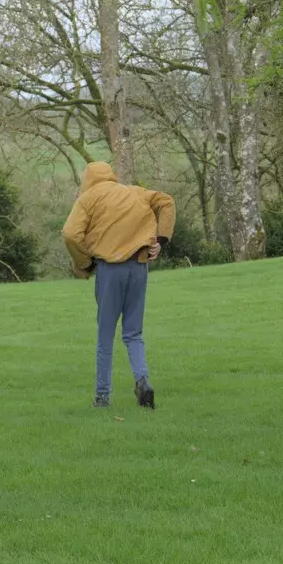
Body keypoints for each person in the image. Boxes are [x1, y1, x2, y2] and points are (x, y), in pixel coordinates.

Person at [61, 161, 175, 409]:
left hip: (110, 270)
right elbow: (166, 201)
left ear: (87, 180)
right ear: (111, 176)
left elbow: (70, 234)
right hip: (139, 267)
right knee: (133, 333)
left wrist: (84, 262)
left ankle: (102, 397)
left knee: (105, 336)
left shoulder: (88, 199)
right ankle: (142, 381)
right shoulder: (133, 191)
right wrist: (161, 239)